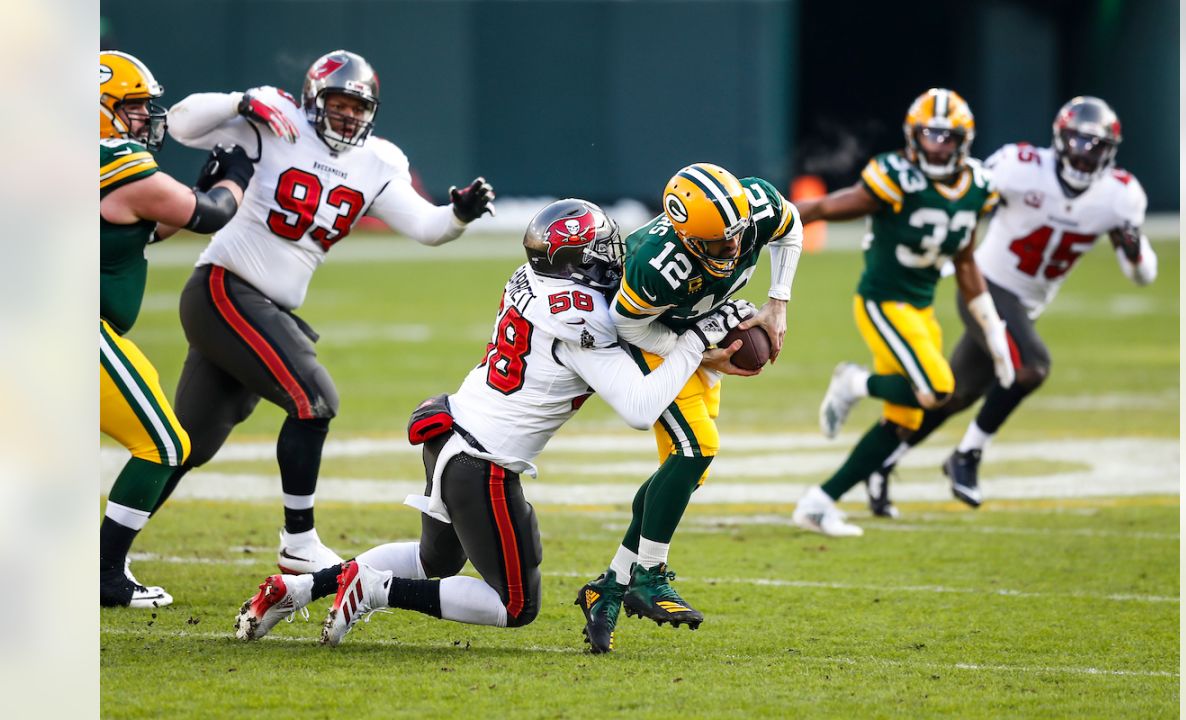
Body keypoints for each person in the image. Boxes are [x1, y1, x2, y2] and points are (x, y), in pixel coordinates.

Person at [230, 199, 750, 646]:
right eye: (601, 251)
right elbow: (640, 408)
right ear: (578, 262)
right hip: (484, 464)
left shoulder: (535, 278)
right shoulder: (579, 318)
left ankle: (298, 588)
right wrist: (695, 341)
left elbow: (632, 330)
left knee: (434, 563)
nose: (613, 259)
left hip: (450, 431)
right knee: (516, 605)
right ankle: (373, 590)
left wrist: (690, 336)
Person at [152, 50, 496, 574]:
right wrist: (238, 101)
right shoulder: (276, 121)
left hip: (264, 307)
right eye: (338, 102)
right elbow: (179, 123)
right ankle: (299, 541)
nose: (348, 115)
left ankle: (103, 552)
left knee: (184, 445)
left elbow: (428, 228)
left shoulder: (376, 161)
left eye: (358, 107)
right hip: (227, 286)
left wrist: (459, 214)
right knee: (315, 400)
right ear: (315, 98)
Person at [857, 96, 1158, 514]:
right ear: (1059, 139)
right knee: (1030, 367)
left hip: (1026, 305)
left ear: (1110, 152)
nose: (1084, 155)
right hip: (985, 287)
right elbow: (962, 196)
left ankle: (880, 463)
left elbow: (1142, 275)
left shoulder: (1119, 197)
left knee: (953, 394)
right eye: (1077, 142)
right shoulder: (1020, 167)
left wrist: (1136, 248)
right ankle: (967, 456)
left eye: (1095, 147)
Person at [576, 162, 804, 653]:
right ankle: (650, 573)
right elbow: (631, 328)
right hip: (654, 342)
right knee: (696, 448)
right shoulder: (655, 264)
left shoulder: (753, 207)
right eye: (721, 244)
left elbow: (792, 225)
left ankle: (609, 587)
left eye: (739, 235)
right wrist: (697, 349)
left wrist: (777, 299)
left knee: (682, 474)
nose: (736, 249)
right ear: (689, 239)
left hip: (697, 329)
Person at [789, 88, 1015, 536]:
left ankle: (818, 503)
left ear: (963, 141)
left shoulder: (978, 187)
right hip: (882, 301)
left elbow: (967, 262)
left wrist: (994, 333)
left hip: (920, 308)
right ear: (913, 136)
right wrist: (763, 225)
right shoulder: (896, 177)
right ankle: (853, 382)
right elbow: (825, 207)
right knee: (938, 389)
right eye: (929, 135)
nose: (937, 145)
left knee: (904, 420)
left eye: (946, 137)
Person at [99, 50, 255, 607]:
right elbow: (209, 214)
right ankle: (104, 574)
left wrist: (201, 191)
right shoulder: (115, 161)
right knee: (164, 446)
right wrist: (237, 176)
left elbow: (138, 231)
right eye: (133, 107)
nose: (144, 118)